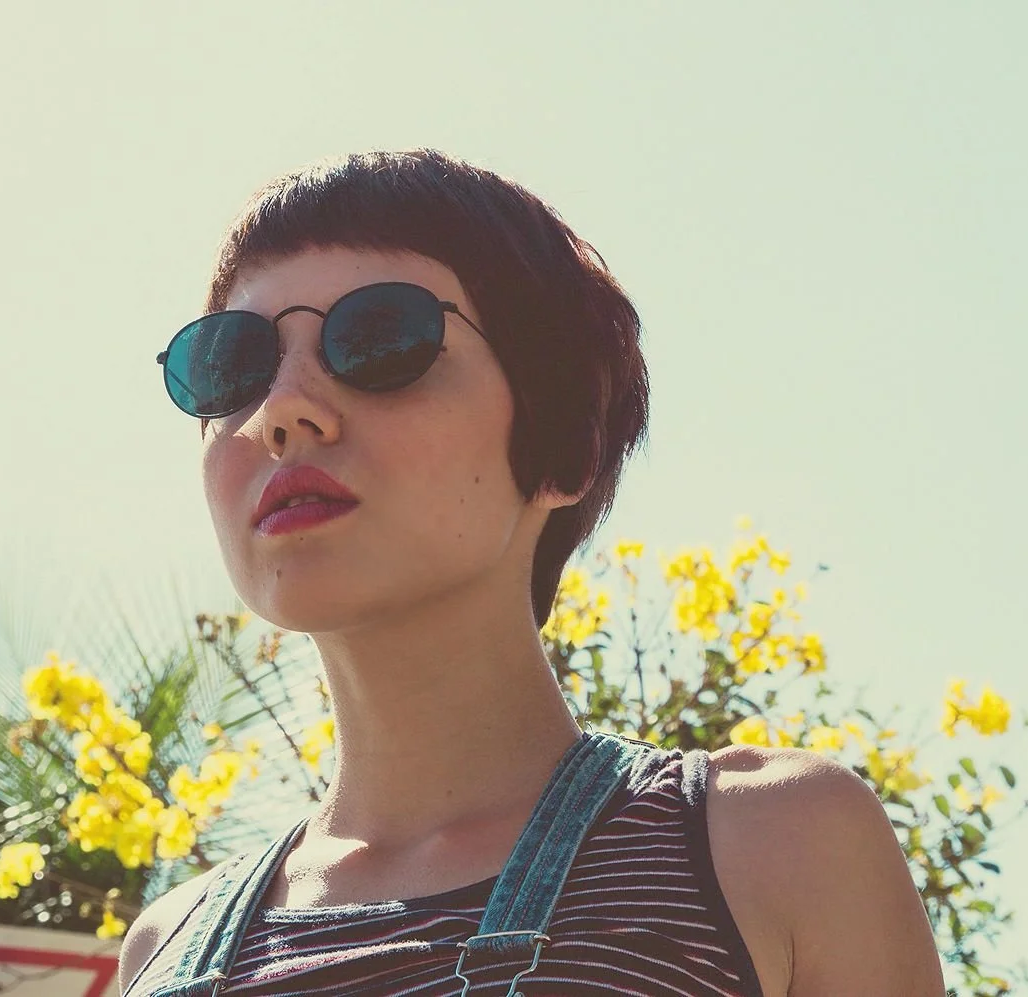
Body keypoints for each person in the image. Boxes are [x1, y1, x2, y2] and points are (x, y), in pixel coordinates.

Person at [121, 149, 946, 996]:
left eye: (380, 340)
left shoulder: (772, 843)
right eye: (233, 365)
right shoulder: (165, 947)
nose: (280, 410)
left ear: (561, 449)